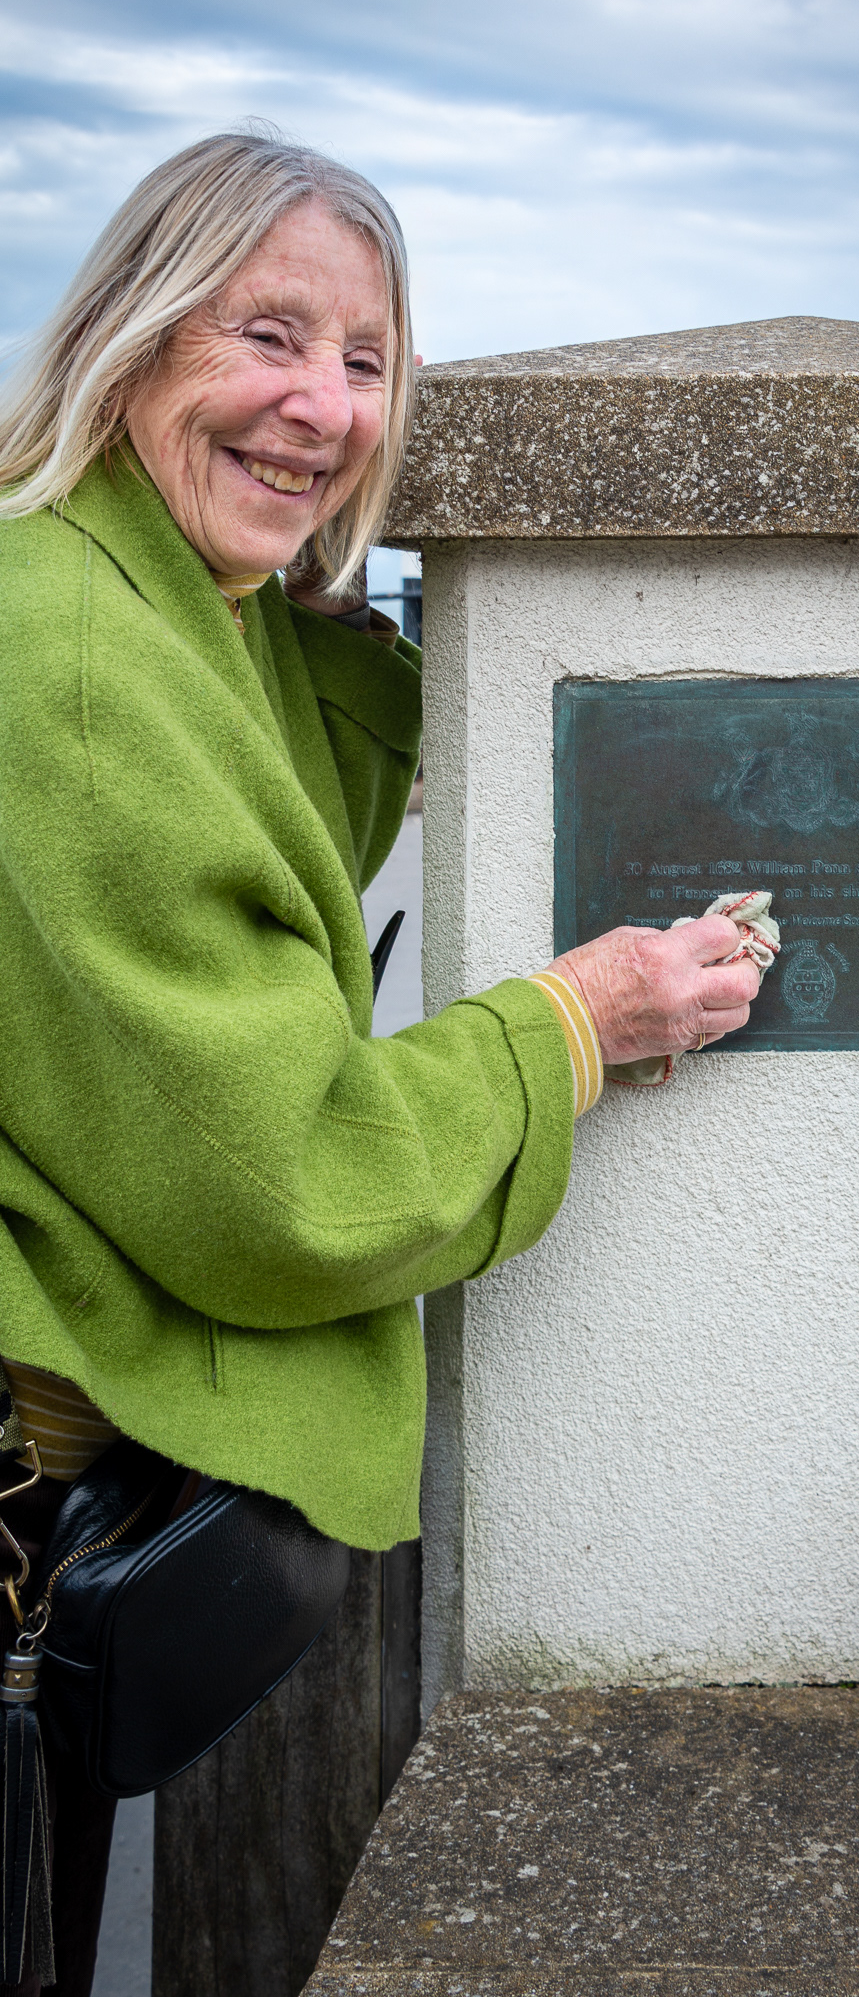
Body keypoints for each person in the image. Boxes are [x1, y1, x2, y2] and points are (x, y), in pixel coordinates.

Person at [0, 127, 760, 1995]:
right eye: (268, 337)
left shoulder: (160, 606)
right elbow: (289, 1175)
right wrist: (581, 1023)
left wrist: (332, 590)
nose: (322, 406)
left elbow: (284, 825)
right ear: (135, 332)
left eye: (366, 362)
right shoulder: (72, 657)